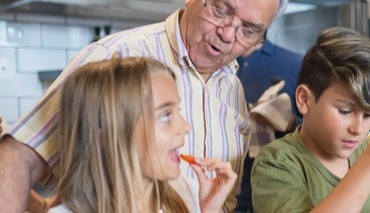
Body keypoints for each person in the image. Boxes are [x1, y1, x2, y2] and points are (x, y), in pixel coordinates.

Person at [0, 0, 291, 211]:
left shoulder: (232, 88)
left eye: (249, 29)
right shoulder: (116, 58)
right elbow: (17, 159)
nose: (228, 35)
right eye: (221, 9)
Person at [251, 27, 370, 212]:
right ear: (304, 99)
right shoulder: (276, 162)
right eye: (345, 111)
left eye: (367, 115)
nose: (358, 129)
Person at [49, 57, 236, 212]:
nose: (185, 126)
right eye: (165, 115)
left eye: (177, 111)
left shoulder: (189, 193)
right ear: (104, 135)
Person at [235, 39, 303, 211]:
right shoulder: (213, 62)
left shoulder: (294, 64)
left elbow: (316, 132)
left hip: (275, 193)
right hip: (216, 195)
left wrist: (288, 122)